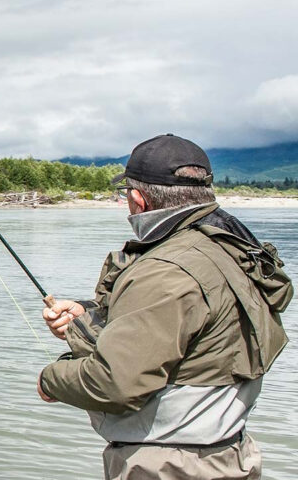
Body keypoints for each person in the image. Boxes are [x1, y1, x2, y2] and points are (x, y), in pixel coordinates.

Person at [36, 134, 292, 479]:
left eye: (125, 194)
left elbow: (113, 383)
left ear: (138, 199)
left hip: (171, 465)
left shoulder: (166, 271)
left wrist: (50, 379)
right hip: (228, 453)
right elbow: (196, 335)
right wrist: (89, 317)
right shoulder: (229, 247)